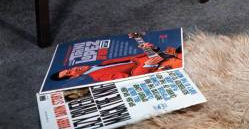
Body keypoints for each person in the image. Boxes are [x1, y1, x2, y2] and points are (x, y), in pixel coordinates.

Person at [50, 47, 182, 83]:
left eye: (69, 69)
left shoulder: (103, 62)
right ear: (73, 77)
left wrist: (149, 49)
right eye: (69, 73)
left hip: (159, 55)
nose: (73, 69)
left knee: (186, 47)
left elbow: (133, 59)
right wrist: (147, 65)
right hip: (157, 66)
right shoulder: (98, 77)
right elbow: (129, 79)